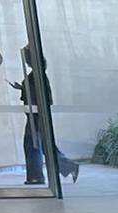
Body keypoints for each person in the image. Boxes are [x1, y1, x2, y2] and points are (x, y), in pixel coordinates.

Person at [16, 46, 79, 184]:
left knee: (33, 145)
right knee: (44, 145)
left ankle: (36, 176)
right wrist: (22, 88)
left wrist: (39, 114)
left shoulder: (37, 76)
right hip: (36, 115)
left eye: (27, 58)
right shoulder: (36, 75)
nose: (26, 61)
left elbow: (41, 97)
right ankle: (67, 167)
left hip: (37, 116)